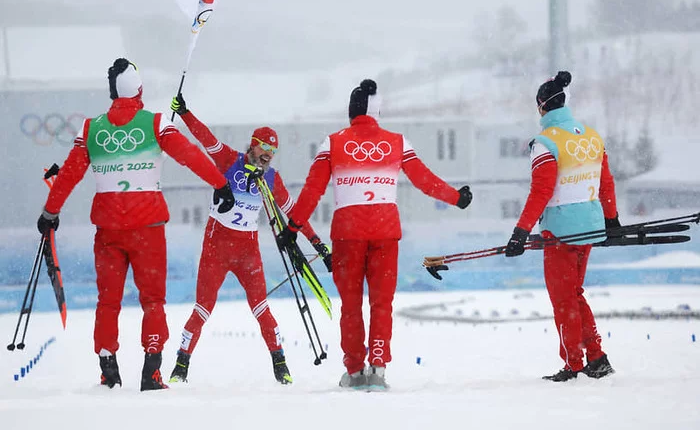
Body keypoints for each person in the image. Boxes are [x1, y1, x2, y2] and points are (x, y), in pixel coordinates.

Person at [36, 58, 235, 391]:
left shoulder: (91, 129)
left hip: (108, 231)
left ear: (112, 90)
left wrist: (49, 212)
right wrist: (220, 184)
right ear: (140, 89)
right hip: (149, 229)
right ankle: (151, 371)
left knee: (108, 302)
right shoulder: (156, 124)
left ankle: (108, 369)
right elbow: (191, 156)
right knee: (153, 301)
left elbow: (69, 174)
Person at [276, 79, 472, 390]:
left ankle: (354, 372)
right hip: (385, 231)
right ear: (376, 111)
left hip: (347, 233)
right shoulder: (397, 142)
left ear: (352, 111)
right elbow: (424, 180)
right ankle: (378, 368)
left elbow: (313, 191)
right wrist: (456, 197)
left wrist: (292, 227)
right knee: (382, 303)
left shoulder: (333, 142)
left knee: (351, 305)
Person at [168, 93, 332, 385]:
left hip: (247, 251)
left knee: (261, 308)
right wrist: (184, 113)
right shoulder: (229, 160)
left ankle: (280, 365)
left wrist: (318, 244)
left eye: (273, 149)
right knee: (202, 309)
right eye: (264, 146)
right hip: (215, 249)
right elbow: (206, 140)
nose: (268, 153)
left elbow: (294, 212)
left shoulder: (272, 179)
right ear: (253, 145)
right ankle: (181, 365)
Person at [504, 71, 618, 382]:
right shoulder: (592, 136)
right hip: (591, 227)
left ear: (542, 108)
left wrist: (521, 231)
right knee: (574, 293)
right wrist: (612, 220)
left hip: (560, 233)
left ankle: (575, 363)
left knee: (563, 298)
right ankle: (596, 357)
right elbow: (605, 182)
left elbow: (541, 191)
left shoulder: (545, 143)